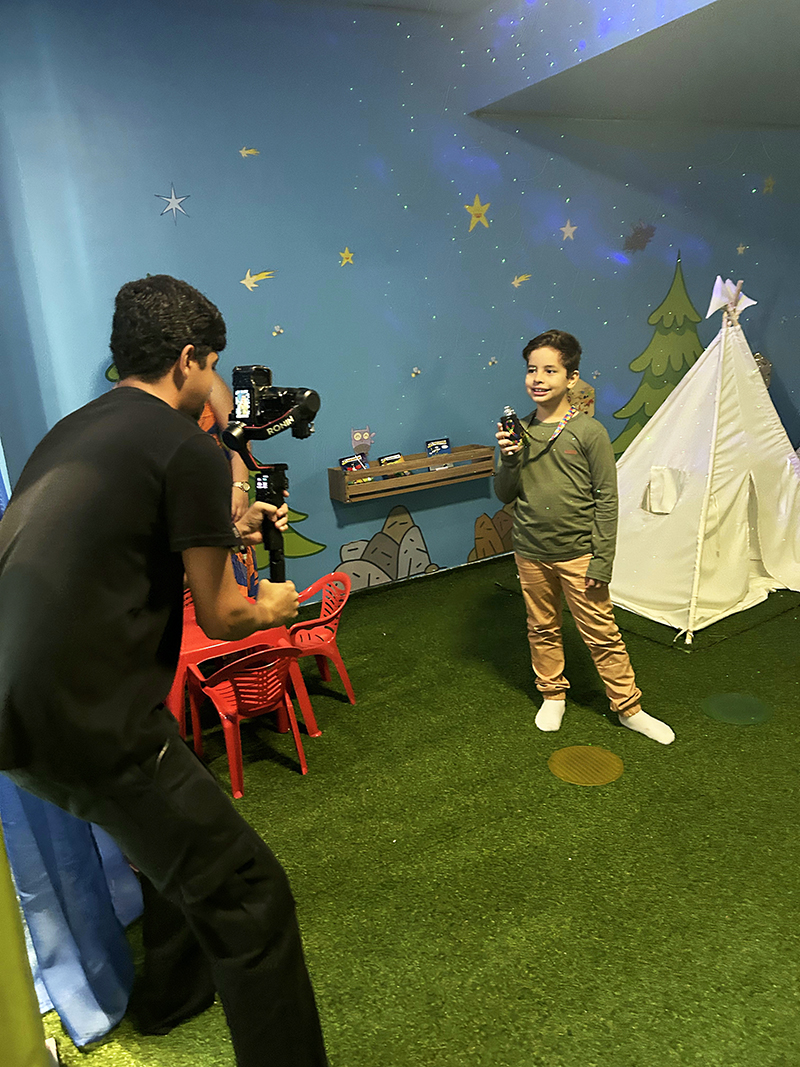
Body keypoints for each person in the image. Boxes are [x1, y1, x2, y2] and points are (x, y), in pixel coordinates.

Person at [0, 275, 328, 1066]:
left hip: (22, 720)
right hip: (91, 723)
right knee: (251, 898)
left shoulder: (76, 430)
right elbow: (224, 615)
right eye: (214, 366)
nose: (219, 387)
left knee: (176, 836)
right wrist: (278, 605)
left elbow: (121, 538)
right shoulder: (186, 444)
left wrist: (227, 523)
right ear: (188, 360)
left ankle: (174, 992)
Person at [494, 329, 674, 745]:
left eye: (550, 370)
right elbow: (505, 494)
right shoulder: (517, 431)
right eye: (532, 370)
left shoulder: (589, 431)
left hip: (579, 554)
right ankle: (552, 695)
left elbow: (607, 499)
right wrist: (508, 459)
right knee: (542, 627)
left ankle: (629, 708)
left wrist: (602, 560)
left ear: (571, 378)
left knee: (602, 634)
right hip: (530, 550)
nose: (538, 379)